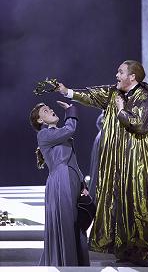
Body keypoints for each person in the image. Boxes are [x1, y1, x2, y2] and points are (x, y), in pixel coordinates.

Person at [56, 60, 148, 266]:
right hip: (121, 163)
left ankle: (136, 248)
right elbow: (93, 95)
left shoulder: (146, 98)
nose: (116, 75)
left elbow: (140, 125)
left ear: (132, 77)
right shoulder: (115, 93)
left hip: (139, 165)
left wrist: (120, 110)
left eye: (120, 72)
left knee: (137, 203)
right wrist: (67, 91)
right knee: (120, 202)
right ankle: (123, 245)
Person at [29, 100, 90, 266]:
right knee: (67, 225)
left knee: (76, 225)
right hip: (60, 182)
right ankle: (66, 265)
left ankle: (76, 265)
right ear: (40, 121)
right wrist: (71, 112)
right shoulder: (43, 134)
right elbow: (70, 128)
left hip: (71, 180)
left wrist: (82, 183)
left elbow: (73, 161)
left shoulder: (59, 133)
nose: (51, 111)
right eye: (46, 111)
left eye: (50, 108)